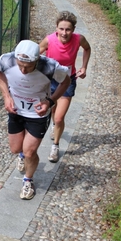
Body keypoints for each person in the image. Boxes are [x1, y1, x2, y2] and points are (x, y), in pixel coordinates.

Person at [0, 40, 70, 200]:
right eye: (20, 65)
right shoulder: (6, 60)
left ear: (37, 60)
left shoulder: (49, 66)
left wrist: (50, 101)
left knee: (30, 151)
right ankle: (23, 156)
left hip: (37, 114)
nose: (23, 70)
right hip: (16, 111)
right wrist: (6, 96)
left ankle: (28, 180)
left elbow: (66, 81)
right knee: (16, 149)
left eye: (28, 67)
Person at [39, 11, 91, 162]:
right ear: (56, 28)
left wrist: (84, 67)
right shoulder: (49, 40)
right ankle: (55, 127)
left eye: (68, 29)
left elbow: (87, 48)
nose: (64, 33)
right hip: (50, 81)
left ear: (73, 30)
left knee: (60, 117)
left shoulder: (78, 39)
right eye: (61, 29)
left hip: (67, 82)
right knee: (53, 109)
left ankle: (55, 146)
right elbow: (34, 55)